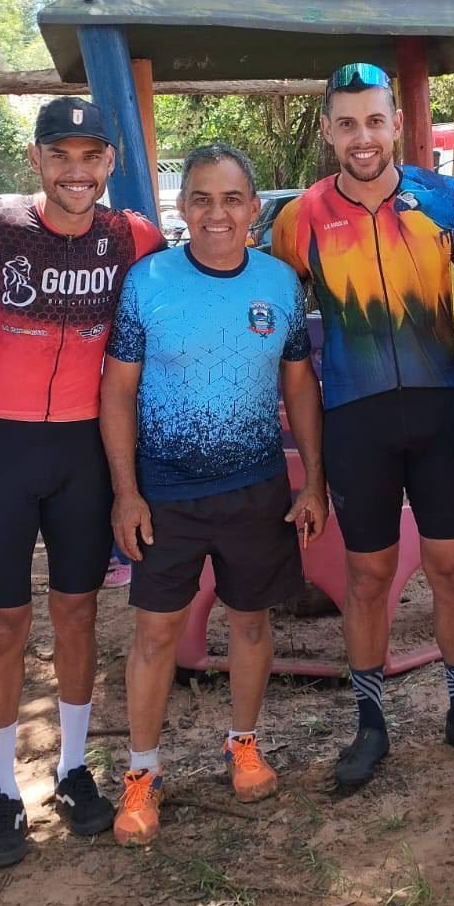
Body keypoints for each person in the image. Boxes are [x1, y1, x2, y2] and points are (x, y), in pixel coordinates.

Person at [273, 63, 454, 790]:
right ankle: (371, 724)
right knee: (368, 575)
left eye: (375, 120)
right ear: (328, 131)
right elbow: (281, 341)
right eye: (347, 123)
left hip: (441, 412)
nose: (363, 137)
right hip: (356, 418)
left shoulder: (444, 198)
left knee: (449, 566)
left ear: (397, 125)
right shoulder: (299, 219)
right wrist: (308, 468)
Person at [0, 97, 166, 866]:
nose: (77, 172)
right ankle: (2, 788)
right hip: (3, 449)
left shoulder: (133, 236)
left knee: (78, 614)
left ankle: (73, 768)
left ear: (110, 163)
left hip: (86, 449)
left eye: (92, 157)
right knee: (4, 623)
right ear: (36, 161)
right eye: (61, 155)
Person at [102, 144, 327, 844]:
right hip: (164, 491)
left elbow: (298, 385)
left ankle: (244, 743)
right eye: (201, 198)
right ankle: (142, 772)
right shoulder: (147, 282)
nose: (217, 213)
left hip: (255, 485)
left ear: (254, 210)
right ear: (182, 208)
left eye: (232, 199)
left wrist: (312, 480)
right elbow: (117, 390)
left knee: (252, 622)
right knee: (155, 633)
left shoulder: (280, 283)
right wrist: (126, 493)